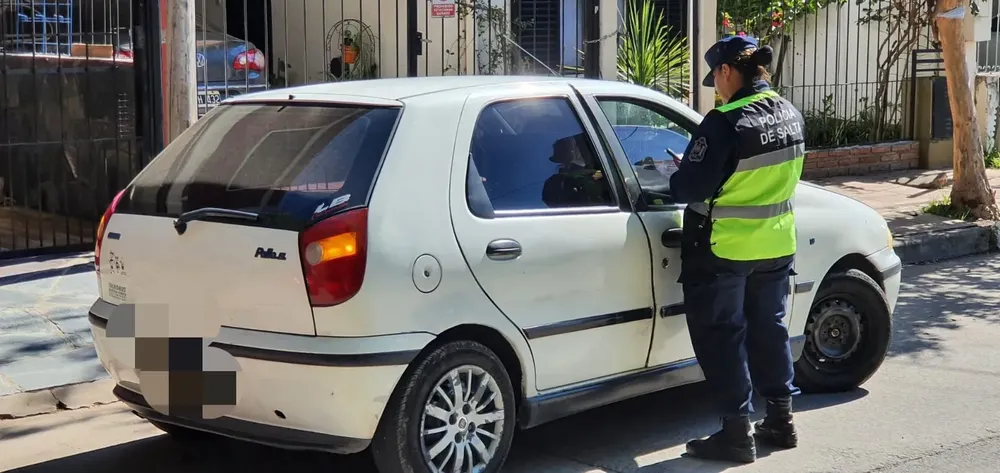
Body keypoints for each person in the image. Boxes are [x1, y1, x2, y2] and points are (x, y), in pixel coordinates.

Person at [667, 35, 806, 464]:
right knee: (770, 329)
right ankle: (781, 420)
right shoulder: (789, 112)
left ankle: (735, 433)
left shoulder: (725, 121)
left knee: (722, 336)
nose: (715, 86)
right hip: (777, 243)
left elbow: (688, 187)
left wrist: (680, 171)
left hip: (725, 248)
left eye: (715, 77)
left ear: (727, 70)